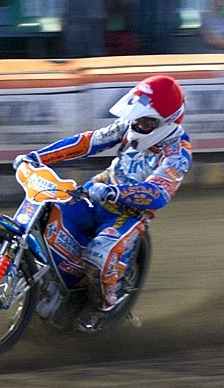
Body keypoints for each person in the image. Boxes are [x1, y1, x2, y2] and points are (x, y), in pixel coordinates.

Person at [12, 74, 192, 332]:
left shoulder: (177, 152)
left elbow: (159, 192)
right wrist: (38, 157)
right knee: (47, 208)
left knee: (99, 256)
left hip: (128, 214)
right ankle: (26, 266)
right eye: (136, 117)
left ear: (166, 123)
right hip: (95, 194)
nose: (136, 124)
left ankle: (104, 308)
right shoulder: (129, 127)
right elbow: (88, 142)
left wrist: (115, 193)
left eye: (144, 121)